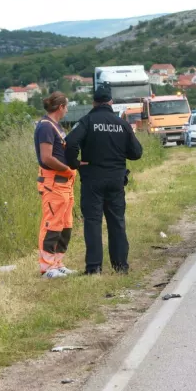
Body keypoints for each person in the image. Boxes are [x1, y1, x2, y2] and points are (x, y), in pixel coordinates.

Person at [65, 86, 144, 274]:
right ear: (111, 102)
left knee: (93, 222)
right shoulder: (121, 123)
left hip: (92, 179)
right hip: (116, 179)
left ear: (94, 102)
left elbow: (70, 143)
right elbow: (137, 153)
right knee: (117, 222)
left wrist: (75, 163)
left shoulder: (87, 121)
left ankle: (94, 268)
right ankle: (120, 266)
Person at [34, 92, 78, 278]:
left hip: (65, 184)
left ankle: (57, 262)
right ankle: (47, 267)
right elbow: (46, 158)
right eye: (66, 106)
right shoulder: (45, 127)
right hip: (54, 182)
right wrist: (66, 170)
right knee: (52, 225)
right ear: (60, 107)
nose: (67, 110)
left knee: (65, 225)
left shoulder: (56, 127)